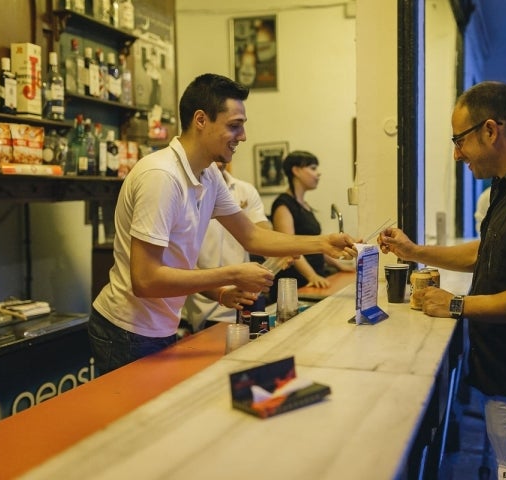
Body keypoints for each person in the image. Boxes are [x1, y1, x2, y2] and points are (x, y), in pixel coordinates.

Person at [378, 81, 506, 479]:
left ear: (491, 130)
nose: (457, 154)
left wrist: (455, 304)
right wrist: (415, 252)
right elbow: (487, 250)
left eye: (459, 140)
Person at [90, 73, 356, 374]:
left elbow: (252, 236)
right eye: (234, 125)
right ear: (201, 120)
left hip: (159, 327)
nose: (242, 136)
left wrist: (322, 243)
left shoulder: (208, 175)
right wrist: (230, 275)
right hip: (127, 331)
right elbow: (145, 279)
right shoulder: (161, 178)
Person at [182, 162, 274, 332]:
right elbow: (181, 262)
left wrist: (283, 250)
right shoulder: (185, 191)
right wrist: (220, 293)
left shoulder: (244, 189)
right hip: (205, 304)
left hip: (245, 298)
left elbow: (260, 233)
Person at [269, 150, 354, 302]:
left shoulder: (305, 206)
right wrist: (312, 276)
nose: (318, 173)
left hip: (314, 280)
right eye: (313, 168)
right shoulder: (283, 205)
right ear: (296, 171)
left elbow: (317, 246)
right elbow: (289, 247)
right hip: (295, 283)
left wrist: (339, 265)